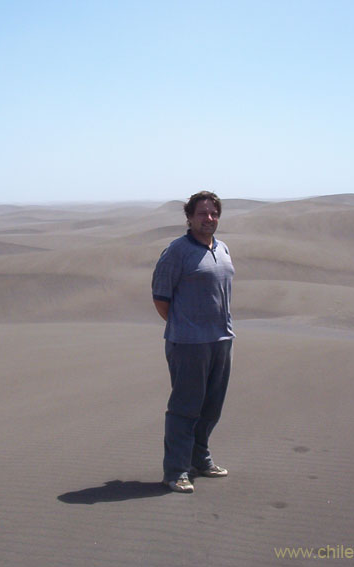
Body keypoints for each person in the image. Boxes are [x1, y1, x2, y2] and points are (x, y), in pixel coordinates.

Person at [151, 190, 235, 493]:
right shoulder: (177, 252)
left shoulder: (223, 249)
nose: (209, 218)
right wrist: (185, 326)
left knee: (212, 407)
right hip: (188, 344)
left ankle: (200, 459)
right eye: (202, 213)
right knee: (185, 408)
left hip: (222, 340)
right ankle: (175, 471)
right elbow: (161, 298)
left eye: (214, 213)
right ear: (189, 217)